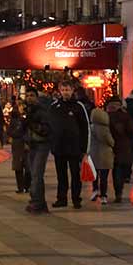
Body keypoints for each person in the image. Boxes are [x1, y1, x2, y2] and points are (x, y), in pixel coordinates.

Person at [50, 81, 90, 209]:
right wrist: (52, 144)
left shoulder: (79, 106)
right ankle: (61, 199)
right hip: (59, 147)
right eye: (63, 89)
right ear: (59, 90)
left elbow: (85, 128)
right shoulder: (54, 106)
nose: (65, 92)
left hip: (74, 148)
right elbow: (50, 126)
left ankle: (76, 199)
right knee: (61, 175)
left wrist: (84, 149)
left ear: (72, 90)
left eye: (67, 89)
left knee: (75, 174)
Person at [23, 87, 52, 213]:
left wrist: (32, 125)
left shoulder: (42, 111)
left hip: (42, 144)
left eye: (32, 95)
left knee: (36, 174)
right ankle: (40, 202)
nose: (29, 97)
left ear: (36, 97)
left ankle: (36, 202)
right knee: (34, 174)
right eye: (27, 95)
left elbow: (46, 130)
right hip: (32, 145)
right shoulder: (27, 110)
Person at [106, 96, 133, 203]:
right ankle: (119, 190)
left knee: (115, 170)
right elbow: (132, 132)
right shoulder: (125, 116)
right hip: (124, 147)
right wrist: (131, 143)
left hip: (110, 147)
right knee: (121, 169)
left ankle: (115, 192)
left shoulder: (106, 116)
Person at [89, 100, 115, 203]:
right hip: (105, 156)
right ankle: (103, 196)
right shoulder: (105, 129)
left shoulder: (90, 127)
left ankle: (95, 190)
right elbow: (110, 142)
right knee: (104, 177)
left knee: (95, 175)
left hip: (93, 154)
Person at [4, 95, 30, 194]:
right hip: (17, 144)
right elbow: (10, 131)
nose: (21, 108)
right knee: (18, 166)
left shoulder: (29, 117)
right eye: (20, 106)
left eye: (23, 105)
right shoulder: (14, 119)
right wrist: (18, 132)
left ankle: (27, 186)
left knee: (28, 167)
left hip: (27, 144)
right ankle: (20, 187)